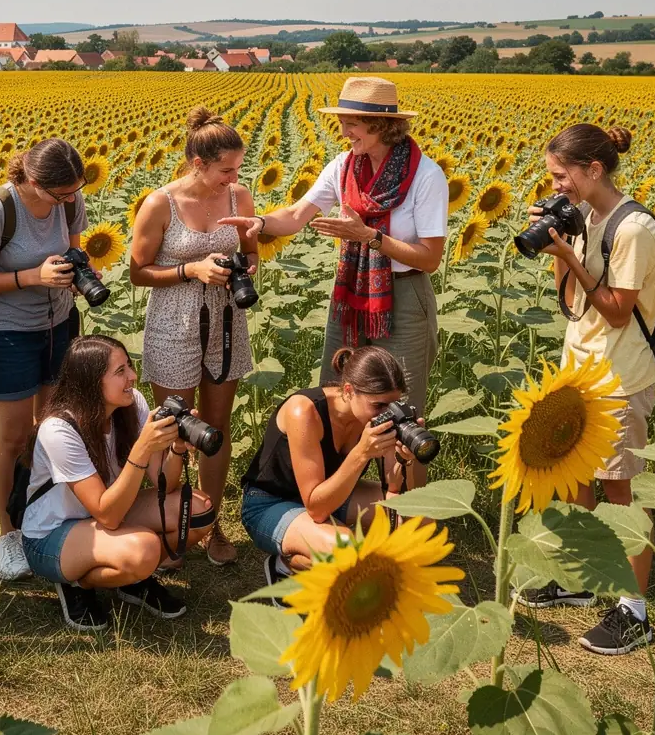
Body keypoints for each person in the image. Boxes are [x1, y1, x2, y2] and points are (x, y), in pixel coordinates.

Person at [222, 77, 447, 488]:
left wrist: (372, 238)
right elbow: (295, 215)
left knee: (401, 407)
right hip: (352, 294)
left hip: (406, 296)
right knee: (342, 396)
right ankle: (343, 499)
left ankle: (406, 510)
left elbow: (431, 258)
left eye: (351, 124)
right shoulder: (343, 167)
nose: (343, 132)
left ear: (381, 125)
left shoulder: (426, 177)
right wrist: (260, 223)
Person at [520, 123, 655, 656]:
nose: (555, 186)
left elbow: (618, 311)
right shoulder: (588, 216)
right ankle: (581, 577)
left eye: (561, 176)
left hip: (621, 375)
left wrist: (573, 253)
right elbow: (571, 300)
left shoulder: (634, 229)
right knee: (578, 474)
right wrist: (558, 244)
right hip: (581, 365)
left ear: (593, 170)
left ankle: (634, 609)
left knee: (620, 490)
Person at [129, 106, 257, 567]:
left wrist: (243, 268)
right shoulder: (160, 203)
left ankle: (212, 521)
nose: (234, 178)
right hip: (173, 324)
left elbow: (252, 252)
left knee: (216, 431)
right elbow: (137, 272)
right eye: (226, 170)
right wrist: (192, 270)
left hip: (226, 323)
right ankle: (173, 522)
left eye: (237, 169)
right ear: (198, 164)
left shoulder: (240, 198)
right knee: (174, 431)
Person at [21, 335, 214, 631]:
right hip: (53, 533)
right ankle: (75, 582)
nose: (133, 377)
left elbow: (165, 486)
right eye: (120, 371)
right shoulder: (58, 429)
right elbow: (107, 515)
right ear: (91, 382)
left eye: (129, 367)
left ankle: (132, 579)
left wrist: (175, 447)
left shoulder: (132, 402)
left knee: (198, 511)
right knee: (144, 549)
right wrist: (141, 450)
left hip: (106, 513)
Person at [0, 138, 88, 581]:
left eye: (75, 191)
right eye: (62, 194)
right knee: (13, 437)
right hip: (7, 331)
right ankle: (9, 534)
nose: (70, 200)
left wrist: (77, 275)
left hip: (58, 324)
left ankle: (47, 519)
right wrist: (32, 276)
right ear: (34, 181)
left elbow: (74, 250)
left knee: (51, 429)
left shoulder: (71, 201)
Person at [240, 346, 424, 598]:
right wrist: (361, 453)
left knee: (420, 522)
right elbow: (315, 508)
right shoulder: (303, 411)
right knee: (347, 552)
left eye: (394, 404)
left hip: (333, 495)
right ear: (348, 391)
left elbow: (398, 494)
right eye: (379, 405)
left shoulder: (377, 416)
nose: (388, 414)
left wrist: (405, 459)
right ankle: (285, 567)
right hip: (271, 503)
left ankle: (335, 549)